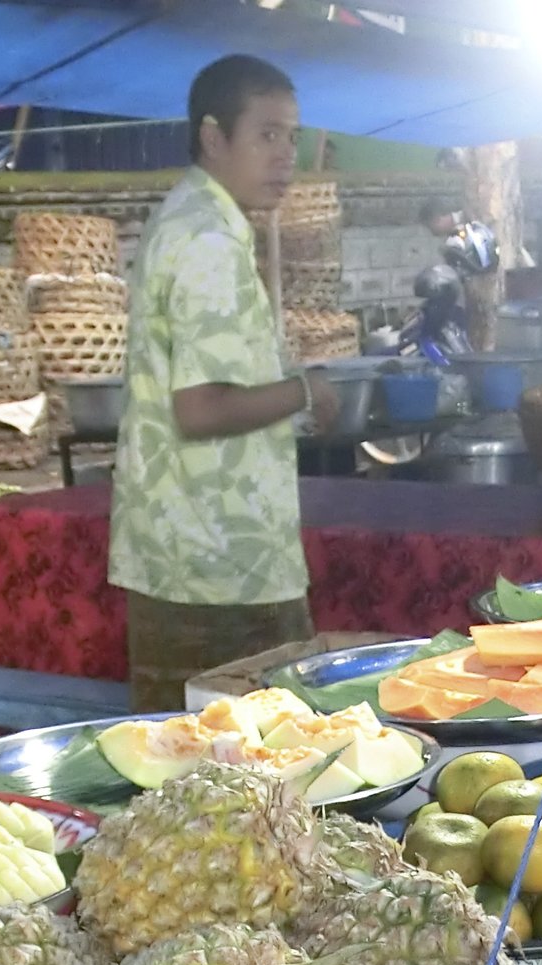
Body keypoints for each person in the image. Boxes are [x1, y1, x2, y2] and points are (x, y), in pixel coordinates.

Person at [108, 55, 338, 712]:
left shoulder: (193, 218)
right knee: (243, 770)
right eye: (266, 135)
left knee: (188, 775)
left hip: (189, 549)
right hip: (217, 562)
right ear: (214, 137)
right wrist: (306, 391)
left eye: (291, 136)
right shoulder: (208, 238)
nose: (285, 155)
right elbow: (201, 409)